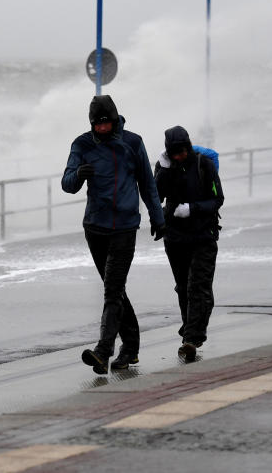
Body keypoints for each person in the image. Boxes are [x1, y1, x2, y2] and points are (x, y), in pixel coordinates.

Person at [62, 95, 166, 374]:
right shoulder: (82, 144)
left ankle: (103, 351)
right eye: (97, 125)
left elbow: (147, 183)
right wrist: (79, 175)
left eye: (106, 124)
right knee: (115, 290)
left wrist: (158, 218)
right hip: (95, 227)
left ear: (115, 119)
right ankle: (130, 348)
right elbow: (67, 184)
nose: (102, 129)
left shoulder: (133, 142)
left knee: (112, 290)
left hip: (125, 226)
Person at [153, 125, 224, 362]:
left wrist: (193, 208)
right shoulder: (165, 166)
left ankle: (192, 338)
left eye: (183, 151)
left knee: (198, 286)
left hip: (203, 235)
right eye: (174, 153)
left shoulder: (205, 164)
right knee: (183, 287)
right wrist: (163, 169)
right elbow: (156, 196)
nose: (179, 156)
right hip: (175, 238)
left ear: (188, 147)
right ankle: (190, 330)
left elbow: (217, 199)